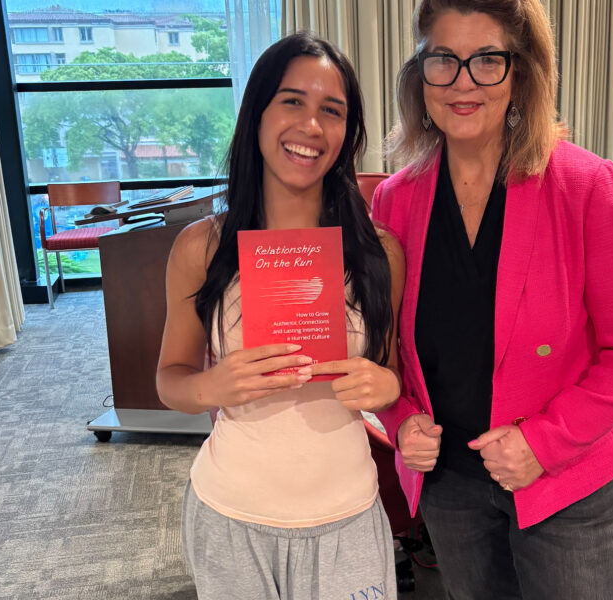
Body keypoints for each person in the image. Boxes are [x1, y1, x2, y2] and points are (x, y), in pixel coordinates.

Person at [372, 1, 613, 598]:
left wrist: (544, 443)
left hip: (566, 478)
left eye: (487, 60)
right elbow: (384, 350)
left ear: (521, 74)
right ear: (418, 76)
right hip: (449, 481)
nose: (463, 83)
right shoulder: (393, 200)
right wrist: (400, 421)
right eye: (443, 61)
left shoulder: (585, 184)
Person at [156, 32, 405, 600]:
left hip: (347, 515)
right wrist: (211, 385)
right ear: (258, 113)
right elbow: (169, 379)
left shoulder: (379, 252)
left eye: (332, 110)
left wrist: (383, 383)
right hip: (231, 515)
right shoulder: (203, 247)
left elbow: (393, 379)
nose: (311, 126)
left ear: (348, 134)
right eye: (292, 101)